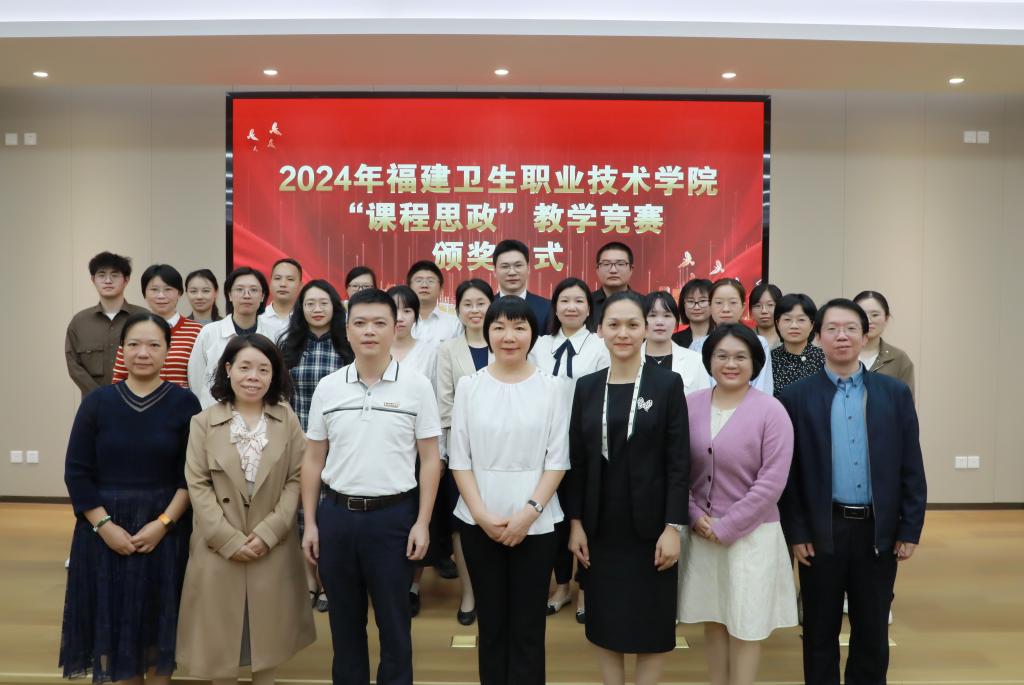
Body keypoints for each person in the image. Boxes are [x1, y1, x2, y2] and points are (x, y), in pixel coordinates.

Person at [779, 299, 926, 685]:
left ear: (865, 335)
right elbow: (788, 475)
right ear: (818, 337)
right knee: (818, 629)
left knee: (872, 630)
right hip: (821, 531)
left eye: (850, 328)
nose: (841, 336)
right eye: (832, 329)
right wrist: (797, 531)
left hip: (878, 530)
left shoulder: (893, 393)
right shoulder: (795, 397)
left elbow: (911, 463)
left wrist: (910, 528)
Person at [300, 288, 443, 685]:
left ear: (395, 328)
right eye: (360, 323)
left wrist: (423, 522)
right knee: (344, 625)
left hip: (393, 518)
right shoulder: (329, 387)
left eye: (379, 323)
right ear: (346, 330)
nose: (369, 331)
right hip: (336, 517)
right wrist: (310, 523)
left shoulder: (416, 386)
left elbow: (431, 459)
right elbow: (313, 459)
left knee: (395, 625)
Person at [60, 313, 201, 683]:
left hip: (165, 532)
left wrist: (163, 524)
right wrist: (105, 527)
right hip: (104, 531)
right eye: (135, 344)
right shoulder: (97, 402)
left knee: (160, 634)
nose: (143, 353)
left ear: (168, 351)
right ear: (122, 350)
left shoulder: (186, 403)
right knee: (115, 634)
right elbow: (77, 472)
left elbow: (191, 476)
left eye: (154, 345)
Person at [176, 334, 316, 684]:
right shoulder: (203, 422)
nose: (253, 377)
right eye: (245, 367)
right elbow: (198, 484)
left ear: (274, 375)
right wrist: (228, 539)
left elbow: (296, 479)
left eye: (263, 369)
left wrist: (269, 532)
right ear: (228, 369)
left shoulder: (287, 419)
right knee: (219, 648)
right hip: (218, 548)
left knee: (268, 645)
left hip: (272, 546)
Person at [565, 291, 688, 685]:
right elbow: (577, 462)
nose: (623, 333)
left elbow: (678, 461)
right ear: (600, 330)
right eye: (614, 324)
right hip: (600, 528)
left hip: (652, 529)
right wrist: (575, 524)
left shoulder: (667, 384)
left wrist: (673, 527)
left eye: (633, 325)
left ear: (645, 330)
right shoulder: (587, 387)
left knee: (651, 626)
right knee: (606, 623)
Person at [449, 295, 569, 685]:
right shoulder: (470, 386)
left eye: (519, 327)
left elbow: (557, 460)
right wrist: (481, 515)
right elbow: (459, 459)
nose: (509, 336)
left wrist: (528, 513)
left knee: (529, 626)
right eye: (499, 327)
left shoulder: (553, 387)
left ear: (533, 334)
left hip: (537, 521)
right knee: (492, 624)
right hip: (479, 519)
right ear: (487, 334)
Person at [678, 324, 797, 685]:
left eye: (740, 357)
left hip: (752, 537)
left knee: (746, 624)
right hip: (702, 532)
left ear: (755, 363)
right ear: (709, 360)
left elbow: (772, 482)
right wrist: (695, 515)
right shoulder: (690, 405)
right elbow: (676, 469)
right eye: (722, 356)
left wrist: (728, 526)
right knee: (714, 618)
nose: (731, 364)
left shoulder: (772, 411)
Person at [529, 277, 609, 621]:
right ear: (555, 307)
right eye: (564, 301)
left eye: (579, 301)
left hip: (587, 445)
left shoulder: (599, 346)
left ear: (589, 309)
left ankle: (587, 589)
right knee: (556, 518)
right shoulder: (540, 345)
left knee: (587, 516)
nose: (571, 307)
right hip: (545, 446)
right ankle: (561, 585)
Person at [279, 280, 354, 614]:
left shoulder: (347, 344)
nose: (317, 309)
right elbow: (278, 395)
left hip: (339, 442)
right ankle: (310, 579)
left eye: (324, 303)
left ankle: (329, 581)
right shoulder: (289, 346)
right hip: (297, 439)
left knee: (328, 512)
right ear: (301, 309)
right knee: (300, 512)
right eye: (310, 303)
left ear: (335, 308)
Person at [435, 278, 496, 625]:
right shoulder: (447, 350)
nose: (475, 310)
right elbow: (444, 405)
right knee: (463, 523)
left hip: (504, 450)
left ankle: (494, 592)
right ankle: (469, 593)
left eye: (481, 303)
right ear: (457, 310)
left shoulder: (507, 341)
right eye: (467, 305)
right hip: (463, 451)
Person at [189, 267, 275, 409]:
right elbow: (196, 379)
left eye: (253, 290)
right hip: (216, 414)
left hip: (260, 413)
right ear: (229, 295)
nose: (246, 295)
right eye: (239, 289)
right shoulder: (209, 332)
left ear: (262, 296)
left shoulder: (273, 334)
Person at [65, 251, 148, 398]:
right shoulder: (79, 322)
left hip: (139, 401)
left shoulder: (145, 318)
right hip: (94, 404)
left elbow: (156, 359)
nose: (108, 281)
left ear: (126, 279)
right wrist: (100, 396)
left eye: (115, 275)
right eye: (101, 275)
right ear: (93, 279)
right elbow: (74, 366)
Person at [111, 264, 204, 388]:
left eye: (168, 289)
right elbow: (119, 376)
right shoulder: (132, 330)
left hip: (184, 400)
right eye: (154, 290)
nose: (161, 296)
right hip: (141, 399)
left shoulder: (197, 331)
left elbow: (204, 377)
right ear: (144, 293)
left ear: (179, 293)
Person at [693, 279, 774, 395]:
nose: (726, 309)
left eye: (733, 302)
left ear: (743, 307)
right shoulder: (697, 346)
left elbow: (763, 387)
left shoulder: (759, 343)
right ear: (710, 306)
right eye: (719, 303)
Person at [641, 291, 711, 395]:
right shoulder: (629, 359)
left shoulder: (695, 360)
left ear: (676, 321)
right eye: (652, 315)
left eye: (667, 315)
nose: (660, 322)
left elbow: (703, 400)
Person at [853, 290, 916, 399]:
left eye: (875, 315)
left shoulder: (899, 358)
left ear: (886, 318)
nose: (868, 320)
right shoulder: (838, 354)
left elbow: (906, 404)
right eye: (862, 314)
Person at [771, 293, 825, 397]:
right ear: (777, 324)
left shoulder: (825, 359)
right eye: (787, 319)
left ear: (812, 325)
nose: (794, 325)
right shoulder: (769, 360)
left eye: (801, 320)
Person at [491, 239, 550, 332]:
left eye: (518, 265)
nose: (512, 272)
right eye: (505, 266)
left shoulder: (547, 308)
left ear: (528, 269)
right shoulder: (486, 307)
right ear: (494, 271)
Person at [408, 260, 463, 344]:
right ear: (409, 287)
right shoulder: (399, 323)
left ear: (441, 288)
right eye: (419, 281)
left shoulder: (455, 324)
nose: (424, 285)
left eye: (430, 281)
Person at [586, 242, 634, 330]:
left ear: (631, 269)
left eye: (620, 264)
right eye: (606, 264)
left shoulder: (644, 304)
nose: (613, 270)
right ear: (597, 269)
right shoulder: (586, 304)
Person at [259, 258, 303, 343]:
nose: (283, 284)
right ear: (270, 283)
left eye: (290, 279)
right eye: (277, 278)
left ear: (300, 286)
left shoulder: (306, 320)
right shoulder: (257, 318)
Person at [671, 278, 713, 349]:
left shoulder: (723, 337)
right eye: (690, 301)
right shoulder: (673, 341)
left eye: (702, 301)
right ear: (683, 305)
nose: (696, 307)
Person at [749, 283, 783, 350]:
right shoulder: (745, 338)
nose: (764, 311)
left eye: (770, 305)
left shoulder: (789, 338)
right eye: (758, 306)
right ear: (750, 311)